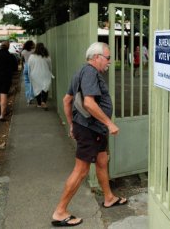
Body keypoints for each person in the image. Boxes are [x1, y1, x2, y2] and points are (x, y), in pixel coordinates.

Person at [51, 42, 127, 227]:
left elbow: (67, 100)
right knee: (81, 170)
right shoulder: (90, 73)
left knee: (102, 161)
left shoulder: (81, 72)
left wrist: (71, 125)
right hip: (91, 130)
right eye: (108, 58)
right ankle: (60, 212)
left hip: (90, 129)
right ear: (96, 57)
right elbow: (89, 103)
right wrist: (109, 123)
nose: (110, 61)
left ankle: (108, 197)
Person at [28, 43, 52, 110]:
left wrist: (29, 75)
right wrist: (50, 72)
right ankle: (43, 101)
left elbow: (29, 66)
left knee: (37, 89)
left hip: (35, 75)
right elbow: (50, 66)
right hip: (45, 74)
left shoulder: (32, 56)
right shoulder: (47, 56)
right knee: (45, 88)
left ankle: (39, 104)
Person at [21, 40, 36, 105]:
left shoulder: (23, 52)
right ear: (31, 45)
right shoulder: (34, 51)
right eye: (33, 44)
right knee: (32, 83)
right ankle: (31, 96)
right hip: (32, 67)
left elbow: (22, 60)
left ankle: (28, 98)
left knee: (27, 82)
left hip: (26, 67)